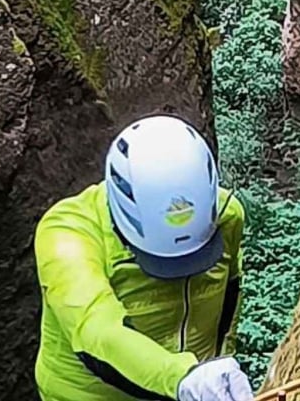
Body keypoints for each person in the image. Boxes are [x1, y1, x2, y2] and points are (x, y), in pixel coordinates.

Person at [35, 115, 253, 401]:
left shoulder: (227, 216)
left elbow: (229, 298)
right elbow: (98, 333)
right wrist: (182, 378)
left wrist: (219, 368)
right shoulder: (68, 235)